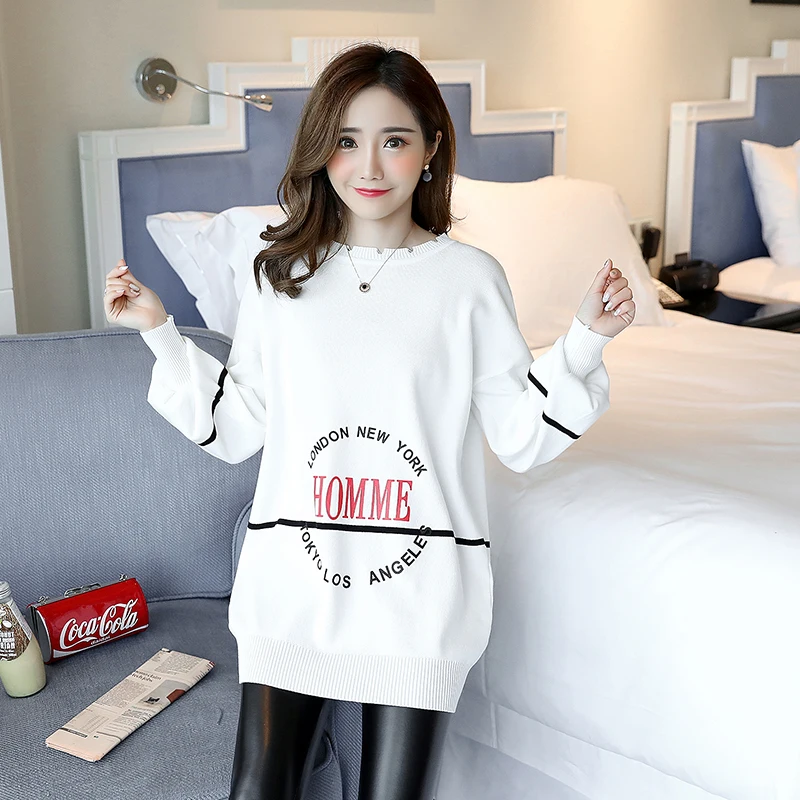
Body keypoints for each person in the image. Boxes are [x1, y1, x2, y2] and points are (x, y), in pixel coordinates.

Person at [103, 42, 635, 800]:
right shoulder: (279, 279)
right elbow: (238, 427)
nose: (370, 167)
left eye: (395, 140)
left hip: (420, 600)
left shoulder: (468, 280)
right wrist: (159, 330)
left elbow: (520, 434)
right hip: (292, 591)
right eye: (347, 141)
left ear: (431, 149)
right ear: (322, 150)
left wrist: (583, 340)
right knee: (258, 790)